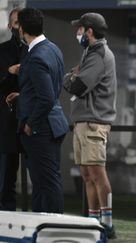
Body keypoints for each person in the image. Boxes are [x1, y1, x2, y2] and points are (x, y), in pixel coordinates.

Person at [6, 7, 69, 213]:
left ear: (22, 29)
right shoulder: (53, 49)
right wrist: (23, 96)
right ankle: (43, 229)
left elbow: (46, 98)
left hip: (41, 129)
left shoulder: (36, 56)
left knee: (47, 184)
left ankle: (52, 230)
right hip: (52, 125)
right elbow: (46, 90)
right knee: (44, 184)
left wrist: (30, 125)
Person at [63, 12, 117, 239]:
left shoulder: (99, 54)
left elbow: (76, 85)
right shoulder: (90, 53)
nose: (78, 33)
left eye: (80, 29)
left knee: (96, 171)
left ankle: (107, 222)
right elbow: (74, 78)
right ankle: (94, 219)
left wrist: (69, 78)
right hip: (84, 121)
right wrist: (72, 77)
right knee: (87, 173)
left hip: (94, 122)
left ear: (89, 31)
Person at [0, 8, 26, 211]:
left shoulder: (34, 50)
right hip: (5, 124)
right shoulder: (1, 51)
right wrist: (9, 73)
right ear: (10, 26)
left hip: (29, 121)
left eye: (22, 23)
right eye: (16, 23)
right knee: (5, 175)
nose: (20, 27)